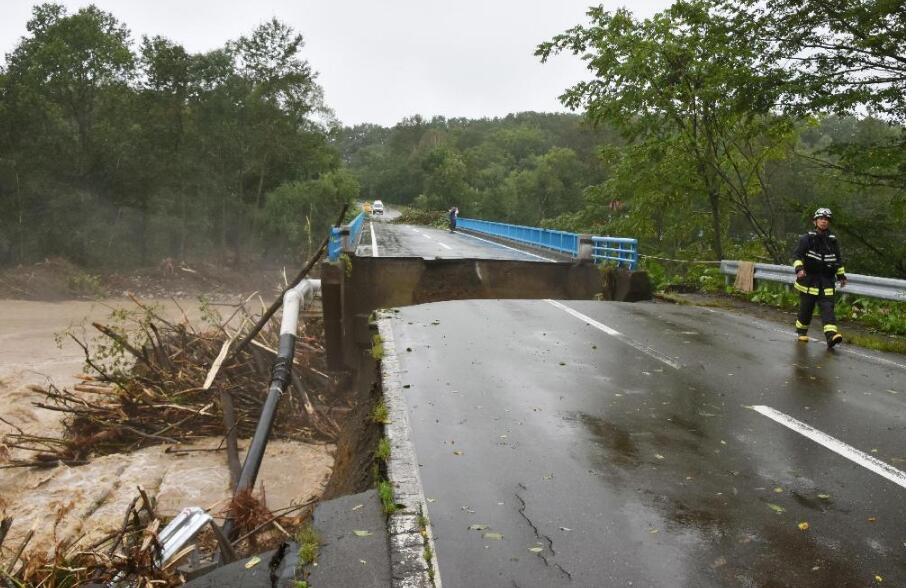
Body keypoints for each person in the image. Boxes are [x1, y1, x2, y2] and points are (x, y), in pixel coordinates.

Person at [793, 207, 847, 348]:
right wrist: (799, 269)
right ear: (815, 221)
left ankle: (831, 337)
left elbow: (838, 260)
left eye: (826, 220)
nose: (824, 221)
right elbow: (797, 256)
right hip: (808, 280)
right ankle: (801, 332)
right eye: (821, 219)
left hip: (827, 281)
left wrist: (841, 275)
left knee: (827, 307)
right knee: (807, 309)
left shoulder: (833, 241)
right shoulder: (806, 239)